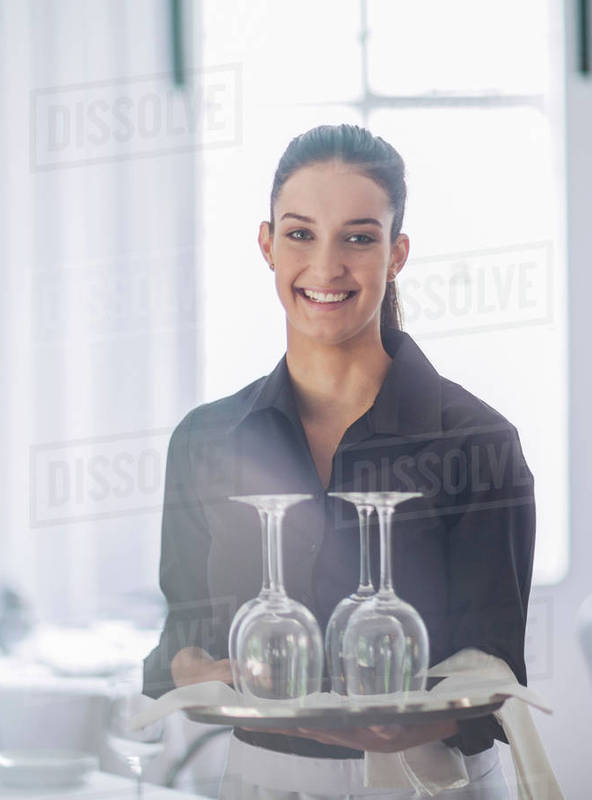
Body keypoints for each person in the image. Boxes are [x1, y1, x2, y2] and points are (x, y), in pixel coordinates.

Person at [143, 125, 535, 799]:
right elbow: (183, 632)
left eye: (358, 237)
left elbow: (491, 665)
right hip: (263, 781)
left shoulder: (476, 442)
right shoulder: (205, 440)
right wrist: (192, 667)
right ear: (267, 245)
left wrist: (408, 722)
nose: (326, 267)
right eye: (300, 234)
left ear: (396, 254)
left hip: (430, 781)